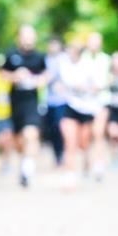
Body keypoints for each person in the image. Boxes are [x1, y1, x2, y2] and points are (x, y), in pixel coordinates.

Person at [1, 24, 48, 188]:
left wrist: (37, 81)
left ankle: (28, 170)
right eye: (25, 35)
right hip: (15, 104)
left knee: (31, 134)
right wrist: (15, 76)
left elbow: (46, 75)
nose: (28, 38)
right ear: (19, 37)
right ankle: (24, 164)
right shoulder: (10, 55)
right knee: (19, 143)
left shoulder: (40, 57)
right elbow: (2, 74)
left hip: (32, 103)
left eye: (31, 35)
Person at [57, 40, 101, 189]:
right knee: (70, 142)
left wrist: (86, 88)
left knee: (83, 143)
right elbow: (60, 83)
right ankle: (70, 176)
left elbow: (97, 86)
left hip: (87, 108)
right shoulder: (63, 65)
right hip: (70, 107)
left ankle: (88, 161)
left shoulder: (89, 66)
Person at [84, 32, 112, 181]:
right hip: (84, 103)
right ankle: (87, 161)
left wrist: (100, 86)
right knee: (86, 135)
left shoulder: (106, 60)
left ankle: (99, 164)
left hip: (101, 101)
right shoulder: (82, 60)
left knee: (98, 132)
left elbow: (110, 79)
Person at [43, 37, 67, 167]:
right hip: (48, 101)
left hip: (62, 101)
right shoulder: (45, 60)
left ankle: (63, 152)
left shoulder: (64, 59)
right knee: (51, 129)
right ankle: (57, 155)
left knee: (60, 127)